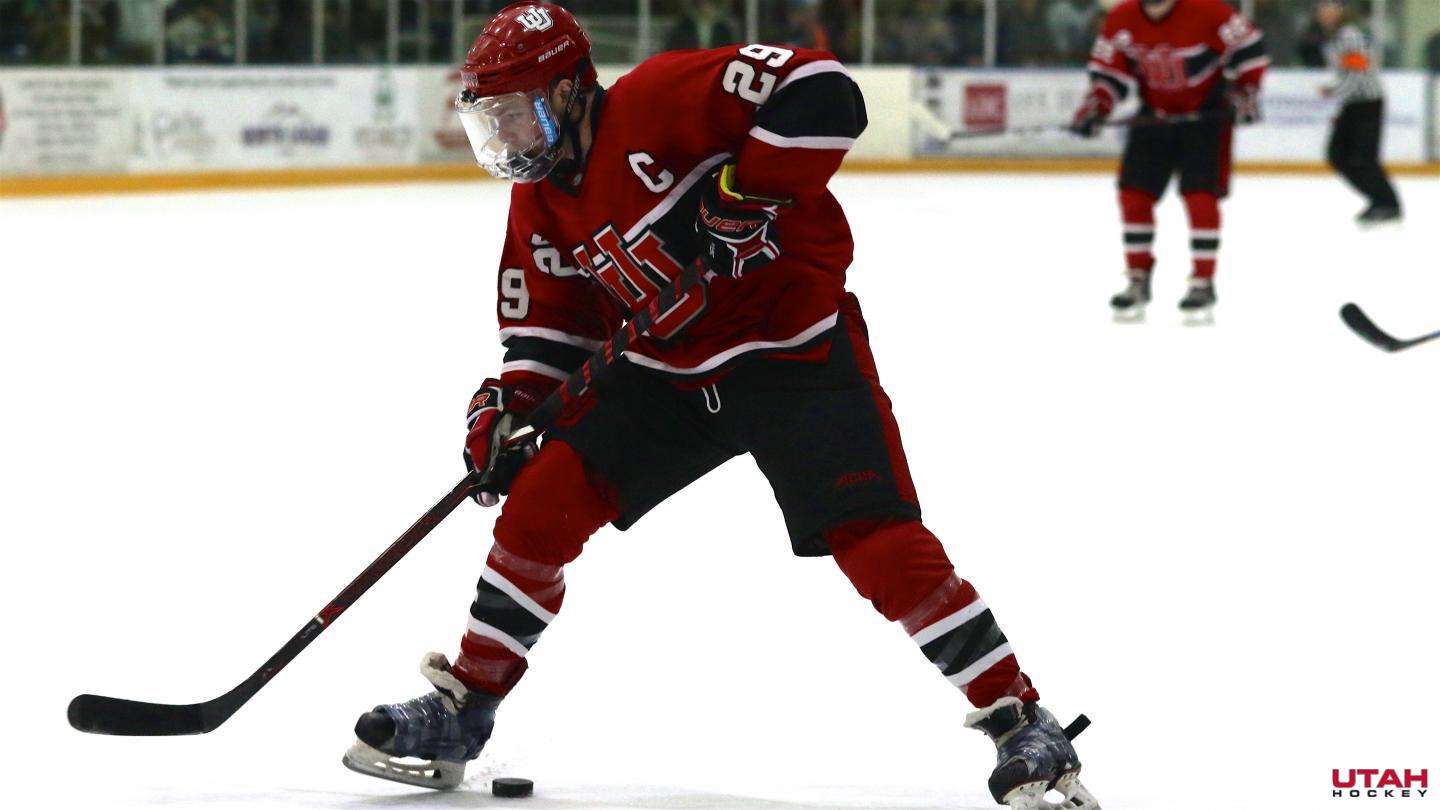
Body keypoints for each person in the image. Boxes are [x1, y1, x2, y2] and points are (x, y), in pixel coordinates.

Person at [341, 4, 1100, 809]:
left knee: (876, 539)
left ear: (567, 91)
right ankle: (466, 708)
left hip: (790, 350)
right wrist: (509, 410)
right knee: (538, 509)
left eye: (517, 114)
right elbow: (550, 333)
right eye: (492, 121)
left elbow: (823, 89)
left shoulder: (664, 96)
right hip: (663, 376)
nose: (509, 140)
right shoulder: (540, 201)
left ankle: (1021, 718)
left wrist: (747, 192)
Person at [1071, 0, 1268, 321]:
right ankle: (1138, 277)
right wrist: (1097, 106)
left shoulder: (1209, 11)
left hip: (1204, 117)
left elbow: (1251, 48)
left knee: (1200, 198)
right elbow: (1109, 72)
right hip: (1155, 116)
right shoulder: (1122, 18)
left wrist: (1245, 92)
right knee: (1133, 195)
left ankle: (1202, 281)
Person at [1314, 0, 1401, 226]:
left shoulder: (1349, 36)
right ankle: (1380, 200)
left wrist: (1333, 91)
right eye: (1321, 8)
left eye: (1329, 8)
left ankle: (1387, 203)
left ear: (1340, 10)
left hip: (1367, 103)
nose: (1323, 13)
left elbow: (1357, 74)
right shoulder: (1336, 37)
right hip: (1354, 103)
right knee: (1338, 155)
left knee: (1362, 158)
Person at [663, 0, 738, 52]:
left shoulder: (723, 29)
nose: (706, 6)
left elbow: (729, 53)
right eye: (703, 2)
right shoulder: (683, 27)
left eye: (710, 3)